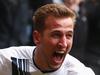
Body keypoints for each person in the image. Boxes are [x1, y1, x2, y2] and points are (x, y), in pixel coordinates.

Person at [0, 3, 95, 75]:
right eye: (56, 35)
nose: (64, 44)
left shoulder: (79, 72)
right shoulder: (8, 60)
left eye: (69, 35)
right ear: (37, 37)